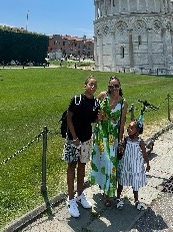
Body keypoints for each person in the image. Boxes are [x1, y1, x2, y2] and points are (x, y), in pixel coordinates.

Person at [63, 75, 99, 218]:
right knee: (71, 166)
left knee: (82, 166)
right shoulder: (77, 100)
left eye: (95, 85)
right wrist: (75, 137)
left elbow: (93, 120)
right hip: (74, 140)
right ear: (85, 86)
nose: (93, 87)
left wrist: (99, 118)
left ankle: (79, 195)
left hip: (85, 140)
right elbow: (69, 118)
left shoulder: (95, 103)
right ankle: (70, 199)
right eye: (91, 84)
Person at [90, 75, 127, 207]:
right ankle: (102, 185)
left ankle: (107, 194)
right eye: (112, 86)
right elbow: (93, 112)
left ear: (120, 86)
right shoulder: (102, 96)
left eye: (116, 86)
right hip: (100, 134)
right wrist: (97, 117)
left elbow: (122, 125)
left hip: (112, 138)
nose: (114, 88)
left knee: (111, 165)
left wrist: (121, 142)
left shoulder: (123, 103)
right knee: (101, 162)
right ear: (109, 87)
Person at [116, 119, 151, 210]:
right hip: (126, 164)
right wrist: (120, 148)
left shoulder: (140, 142)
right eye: (128, 127)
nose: (129, 129)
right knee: (121, 181)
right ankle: (118, 197)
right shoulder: (126, 139)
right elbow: (122, 149)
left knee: (135, 182)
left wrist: (147, 164)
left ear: (137, 131)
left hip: (135, 166)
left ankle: (136, 200)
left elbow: (144, 154)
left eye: (132, 128)